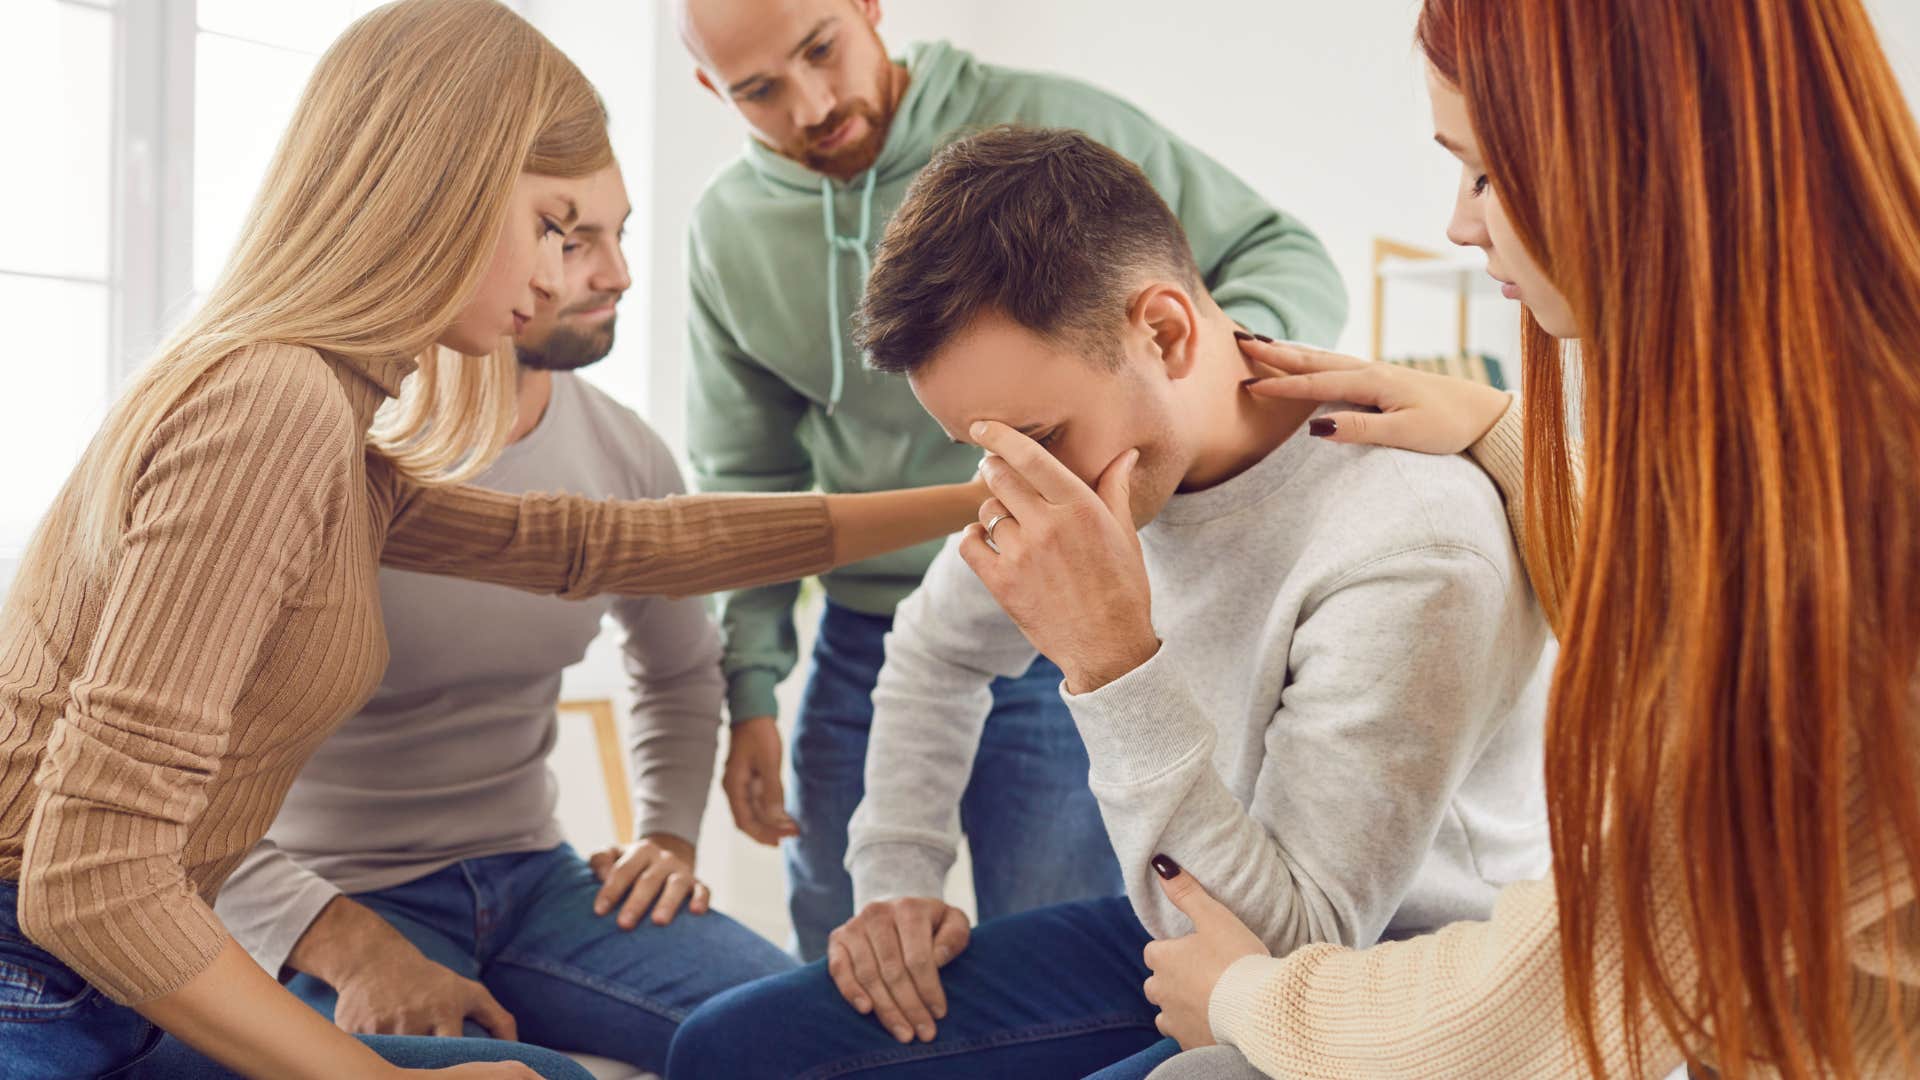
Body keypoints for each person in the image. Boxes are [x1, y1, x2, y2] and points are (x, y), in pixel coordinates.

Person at [0, 2, 985, 1077]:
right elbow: (92, 872)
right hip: (39, 988)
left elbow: (605, 546)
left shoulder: (327, 424)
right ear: (444, 187)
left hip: (93, 980)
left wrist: (974, 497)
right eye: (554, 226)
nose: (571, 278)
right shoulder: (271, 406)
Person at [666, 124, 1554, 1080]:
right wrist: (898, 875)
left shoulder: (1409, 538)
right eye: (989, 450)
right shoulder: (1085, 475)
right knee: (726, 1051)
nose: (1017, 485)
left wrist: (1112, 661)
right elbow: (933, 647)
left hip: (1384, 986)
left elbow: (1289, 950)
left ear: (1164, 333)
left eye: (1042, 437)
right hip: (1183, 933)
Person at [1132, 0, 1920, 1077]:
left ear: (1637, 161)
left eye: (1488, 175)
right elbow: (1680, 600)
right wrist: (1503, 432)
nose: (1459, 222)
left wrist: (1251, 993)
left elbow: (1568, 991)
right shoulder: (1820, 424)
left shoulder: (1850, 583)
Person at [673, 0, 1351, 960]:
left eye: (821, 49)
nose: (813, 102)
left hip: (1069, 616)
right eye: (759, 91)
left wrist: (1183, 393)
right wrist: (749, 684)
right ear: (712, 91)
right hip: (868, 625)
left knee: (1055, 942)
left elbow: (1283, 255)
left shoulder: (1050, 132)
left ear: (868, 9)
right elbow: (748, 479)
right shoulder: (725, 236)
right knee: (850, 948)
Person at [211, 159, 794, 1077]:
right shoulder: (308, 447)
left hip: (533, 877)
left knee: (816, 1038)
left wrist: (668, 835)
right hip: (326, 896)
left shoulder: (624, 451)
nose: (618, 275)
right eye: (570, 238)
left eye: (618, 233)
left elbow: (677, 668)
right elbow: (156, 792)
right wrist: (346, 944)